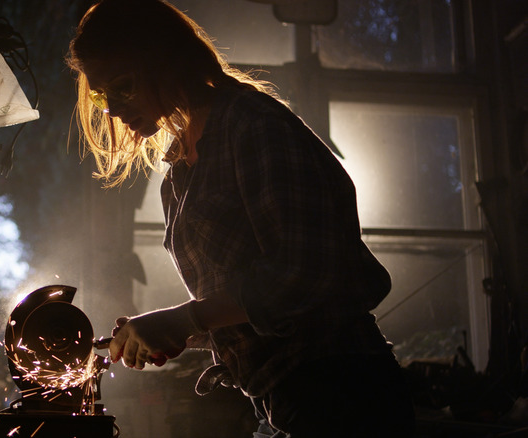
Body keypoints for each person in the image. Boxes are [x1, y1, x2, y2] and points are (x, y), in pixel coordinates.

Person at [66, 0, 416, 436]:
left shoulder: (252, 126)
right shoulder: (180, 170)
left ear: (164, 60)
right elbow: (247, 299)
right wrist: (172, 330)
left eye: (123, 85)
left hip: (344, 392)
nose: (113, 111)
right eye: (102, 96)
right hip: (283, 398)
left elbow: (304, 274)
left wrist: (185, 319)